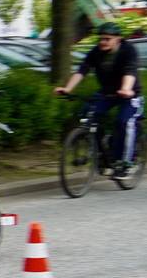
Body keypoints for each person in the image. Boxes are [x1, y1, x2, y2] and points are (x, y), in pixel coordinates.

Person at [55, 21, 140, 175]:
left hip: (128, 94)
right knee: (87, 115)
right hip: (106, 94)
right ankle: (103, 155)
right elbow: (82, 70)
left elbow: (130, 70)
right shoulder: (96, 52)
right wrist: (67, 88)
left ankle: (126, 162)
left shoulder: (128, 50)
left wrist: (126, 88)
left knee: (124, 122)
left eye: (107, 39)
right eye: (101, 38)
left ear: (117, 39)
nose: (102, 42)